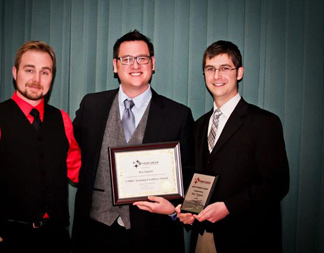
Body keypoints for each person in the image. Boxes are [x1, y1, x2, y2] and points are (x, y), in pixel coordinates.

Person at [0, 41, 81, 252]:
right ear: (15, 72)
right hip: (5, 239)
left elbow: (77, 172)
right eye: (29, 70)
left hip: (56, 238)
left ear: (51, 77)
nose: (36, 80)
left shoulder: (63, 120)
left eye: (44, 72)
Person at [71, 30, 195, 253]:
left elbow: (188, 173)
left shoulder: (178, 115)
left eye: (142, 58)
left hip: (153, 235)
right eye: (126, 59)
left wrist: (174, 209)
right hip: (95, 232)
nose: (135, 65)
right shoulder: (91, 106)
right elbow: (69, 150)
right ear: (115, 65)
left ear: (153, 63)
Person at [176, 40, 290, 253]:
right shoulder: (199, 125)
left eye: (225, 68)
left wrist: (228, 207)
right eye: (210, 69)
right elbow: (198, 178)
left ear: (239, 73)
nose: (217, 76)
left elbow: (277, 184)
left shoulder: (264, 122)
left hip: (249, 239)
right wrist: (188, 209)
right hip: (203, 238)